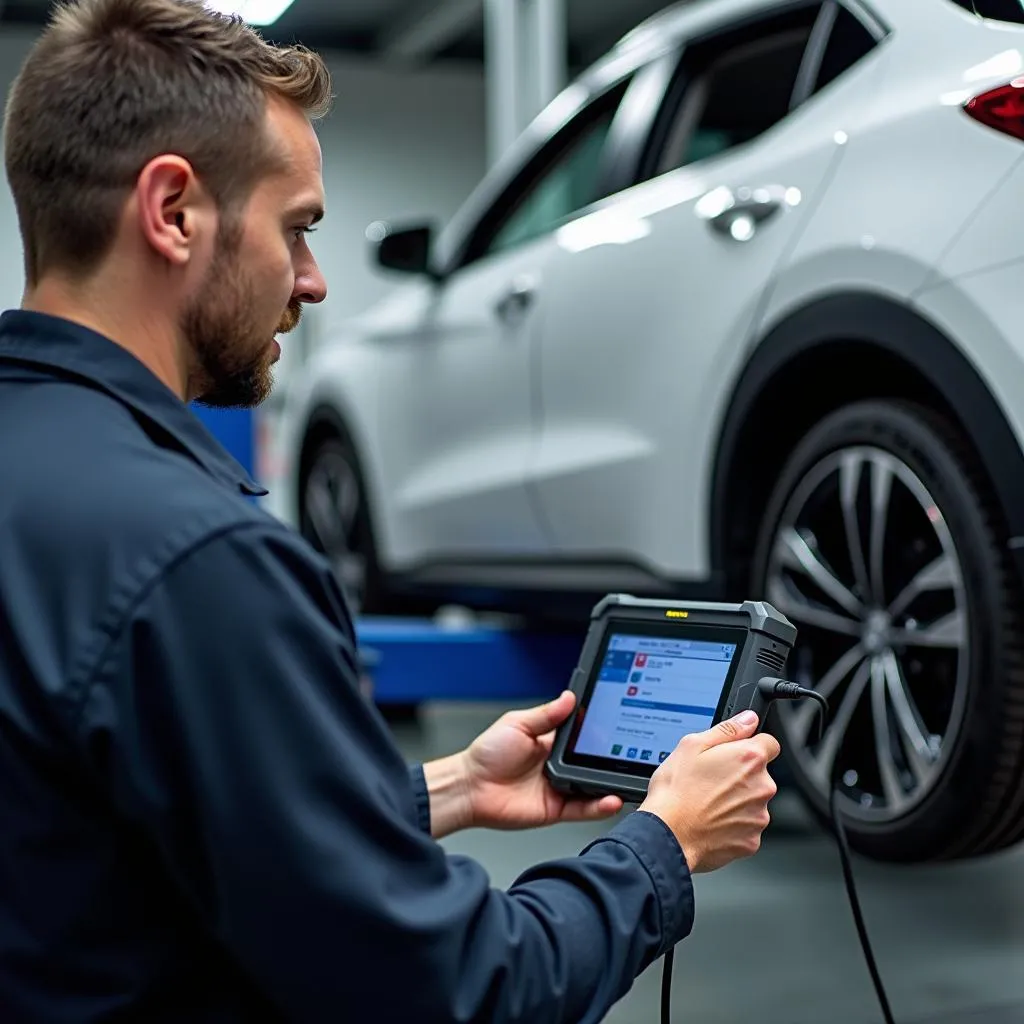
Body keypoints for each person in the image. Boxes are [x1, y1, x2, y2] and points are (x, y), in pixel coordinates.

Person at [0, 1, 782, 1021]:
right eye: (298, 229)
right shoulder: (202, 562)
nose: (316, 283)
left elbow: (117, 828)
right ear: (173, 210)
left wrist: (447, 787)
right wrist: (663, 845)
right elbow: (462, 990)